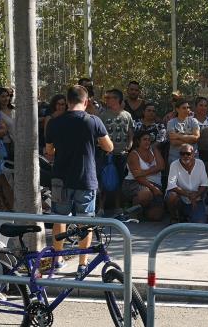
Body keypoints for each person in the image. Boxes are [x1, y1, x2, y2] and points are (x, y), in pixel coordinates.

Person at [45, 84, 113, 274]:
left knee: (59, 219)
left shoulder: (54, 122)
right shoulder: (93, 121)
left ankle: (56, 260)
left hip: (60, 177)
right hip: (85, 177)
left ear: (67, 102)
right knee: (85, 221)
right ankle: (82, 263)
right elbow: (109, 147)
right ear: (86, 101)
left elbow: (49, 151)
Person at [97, 88, 134, 215]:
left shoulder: (127, 115)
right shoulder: (102, 115)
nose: (106, 100)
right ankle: (101, 207)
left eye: (109, 97)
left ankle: (118, 208)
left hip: (122, 154)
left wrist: (129, 145)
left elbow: (130, 133)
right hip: (106, 154)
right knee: (104, 180)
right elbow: (99, 135)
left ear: (117, 99)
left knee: (119, 180)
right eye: (106, 97)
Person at [122, 130, 165, 222]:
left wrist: (143, 172)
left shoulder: (154, 150)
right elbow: (137, 177)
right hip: (135, 183)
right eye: (145, 139)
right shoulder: (134, 154)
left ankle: (142, 210)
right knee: (145, 194)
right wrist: (153, 188)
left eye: (149, 140)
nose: (147, 142)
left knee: (156, 216)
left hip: (155, 184)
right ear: (138, 141)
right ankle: (133, 210)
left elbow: (161, 166)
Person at [166, 144, 208, 223]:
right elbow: (171, 185)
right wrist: (189, 195)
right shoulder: (174, 164)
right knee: (172, 196)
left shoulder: (200, 163)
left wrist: (195, 195)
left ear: (193, 154)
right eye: (182, 154)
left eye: (188, 153)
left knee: (200, 223)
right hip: (181, 197)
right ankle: (174, 217)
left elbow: (204, 184)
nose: (185, 156)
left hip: (196, 198)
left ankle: (186, 216)